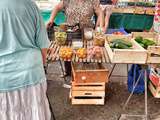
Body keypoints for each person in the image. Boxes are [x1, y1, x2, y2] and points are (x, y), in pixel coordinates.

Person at [0, 0, 51, 119]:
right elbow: (43, 45)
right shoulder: (31, 5)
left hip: (3, 78)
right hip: (31, 73)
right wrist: (42, 66)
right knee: (34, 113)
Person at [47, 0, 103, 77]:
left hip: (86, 32)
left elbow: (100, 13)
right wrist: (51, 19)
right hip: (70, 31)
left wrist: (98, 26)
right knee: (68, 52)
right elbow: (57, 7)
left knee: (85, 54)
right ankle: (68, 72)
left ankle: (84, 74)